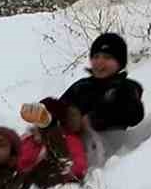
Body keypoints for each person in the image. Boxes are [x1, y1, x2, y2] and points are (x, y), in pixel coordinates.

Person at [59, 32, 144, 168]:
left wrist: (92, 119)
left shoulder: (126, 87)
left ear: (119, 62)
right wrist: (44, 112)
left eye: (107, 57)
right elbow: (59, 107)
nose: (100, 61)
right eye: (96, 56)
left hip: (107, 147)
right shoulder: (81, 86)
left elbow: (134, 114)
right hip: (74, 142)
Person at [18, 97, 88, 182]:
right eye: (37, 118)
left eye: (43, 116)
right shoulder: (31, 136)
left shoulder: (68, 140)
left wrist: (60, 176)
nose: (39, 121)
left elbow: (79, 167)